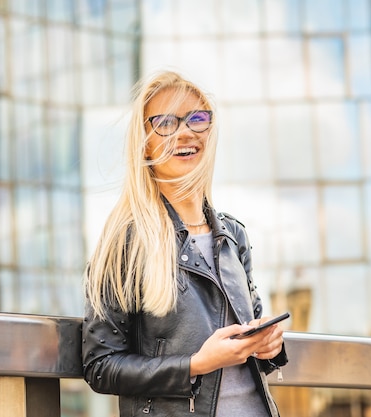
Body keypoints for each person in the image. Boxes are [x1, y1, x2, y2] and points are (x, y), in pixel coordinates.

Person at [82, 70, 288, 416]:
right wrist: (195, 364)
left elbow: (251, 355)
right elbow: (101, 366)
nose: (185, 131)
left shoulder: (233, 235)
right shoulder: (127, 242)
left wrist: (268, 347)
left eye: (197, 118)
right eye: (165, 122)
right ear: (144, 141)